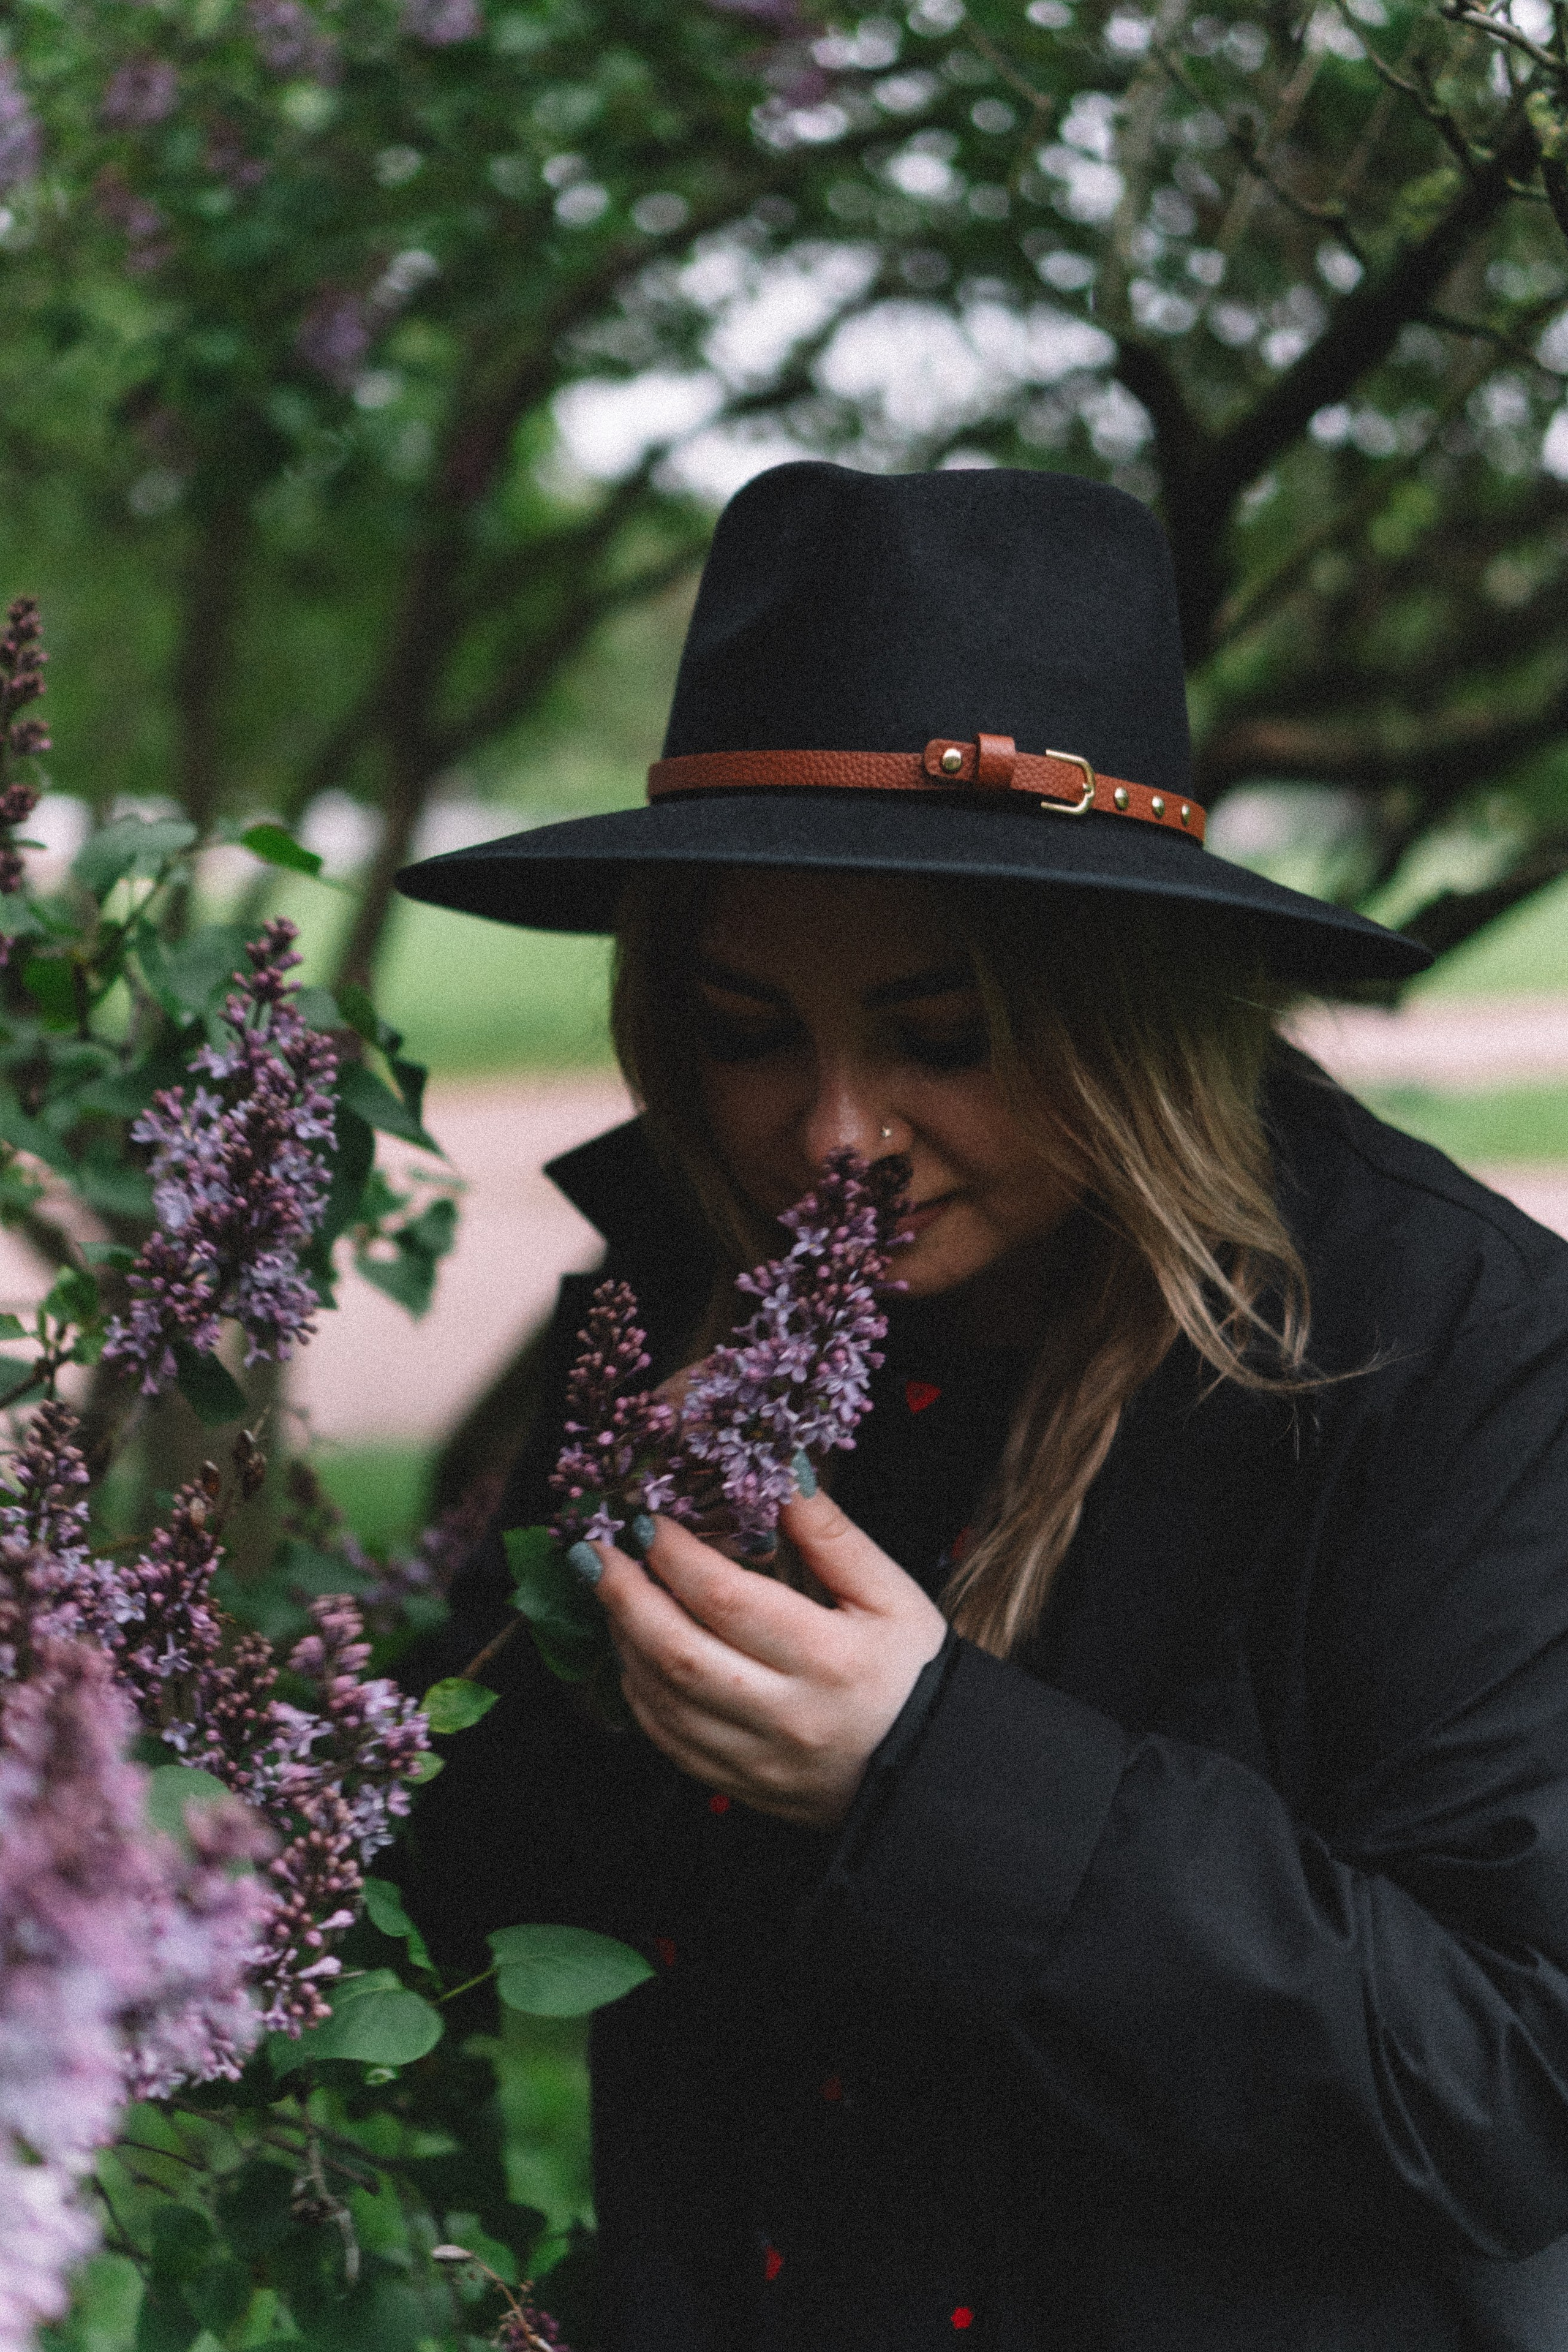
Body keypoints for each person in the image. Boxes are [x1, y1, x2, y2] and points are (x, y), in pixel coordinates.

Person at [395, 463, 1568, 2351]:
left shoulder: (1452, 1344)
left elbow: (1504, 2086)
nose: (834, 1136)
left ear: (1129, 1005)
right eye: (747, 1030)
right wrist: (596, 1609)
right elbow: (485, 1891)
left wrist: (928, 1774)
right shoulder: (690, 1274)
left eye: (946, 1036)